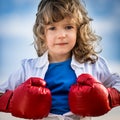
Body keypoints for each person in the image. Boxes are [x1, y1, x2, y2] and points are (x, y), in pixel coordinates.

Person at [0, 0, 120, 120]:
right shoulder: (28, 68)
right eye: (52, 28)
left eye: (68, 27)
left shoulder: (93, 63)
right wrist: (14, 101)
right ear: (43, 33)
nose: (61, 35)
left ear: (78, 31)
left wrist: (108, 97)